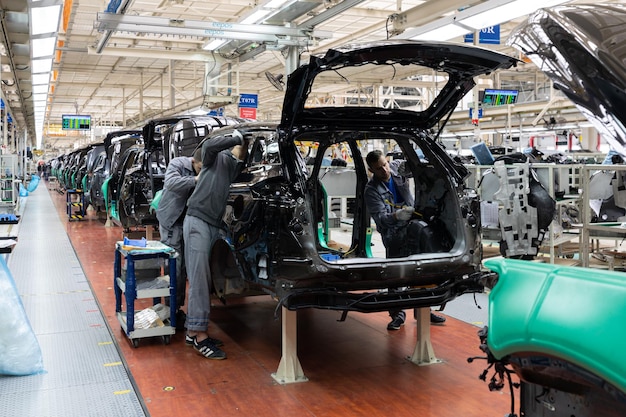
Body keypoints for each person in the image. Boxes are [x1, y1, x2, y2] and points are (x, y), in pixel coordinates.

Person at [183, 129, 250, 360]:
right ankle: (199, 335)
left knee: (206, 279)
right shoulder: (217, 155)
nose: (243, 148)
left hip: (213, 223)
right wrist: (239, 135)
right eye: (241, 144)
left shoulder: (236, 165)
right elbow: (210, 145)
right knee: (199, 278)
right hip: (198, 220)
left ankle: (193, 331)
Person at [364, 149, 446, 330]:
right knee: (396, 275)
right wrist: (397, 216)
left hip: (413, 226)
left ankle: (423, 309)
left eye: (384, 164)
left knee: (421, 269)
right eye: (378, 169)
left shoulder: (395, 168)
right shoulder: (371, 190)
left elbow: (417, 168)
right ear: (372, 170)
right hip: (393, 234)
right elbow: (381, 219)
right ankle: (397, 314)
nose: (385, 170)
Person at [156, 149, 202, 330]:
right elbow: (171, 182)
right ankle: (170, 310)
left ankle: (176, 309)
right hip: (171, 222)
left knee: (183, 268)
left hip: (187, 223)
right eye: (200, 169)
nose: (201, 172)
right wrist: (195, 180)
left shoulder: (201, 170)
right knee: (173, 266)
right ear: (194, 161)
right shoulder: (178, 164)